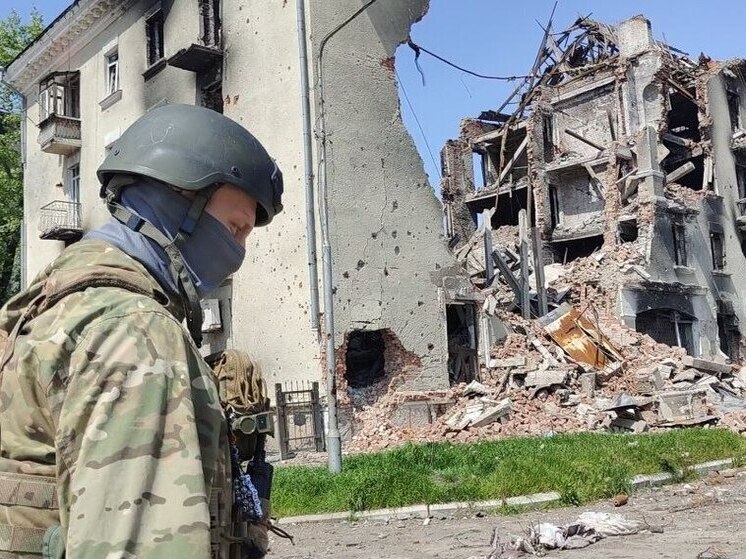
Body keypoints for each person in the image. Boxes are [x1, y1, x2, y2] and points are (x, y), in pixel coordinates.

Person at [0, 103, 283, 558]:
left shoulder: (48, 305)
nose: (238, 254)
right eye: (235, 228)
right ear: (178, 200)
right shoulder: (136, 334)